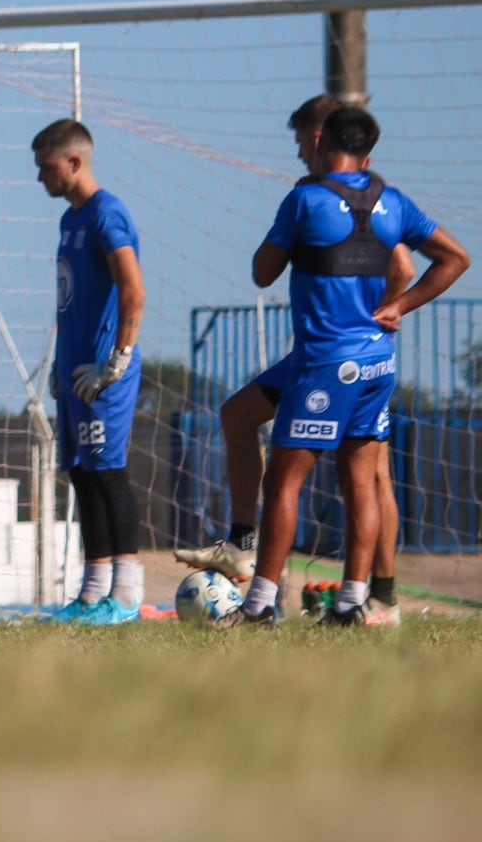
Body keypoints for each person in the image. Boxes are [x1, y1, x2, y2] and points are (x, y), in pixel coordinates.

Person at [178, 94, 414, 623]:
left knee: (368, 477)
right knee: (238, 414)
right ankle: (243, 541)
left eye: (301, 144)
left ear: (318, 139)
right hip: (329, 352)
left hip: (339, 355)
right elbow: (404, 265)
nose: (300, 156)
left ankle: (380, 599)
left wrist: (383, 311)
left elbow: (402, 264)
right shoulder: (354, 192)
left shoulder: (339, 198)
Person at [227, 106, 467, 627]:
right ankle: (353, 603)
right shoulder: (395, 203)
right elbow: (456, 259)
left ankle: (260, 604)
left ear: (319, 142)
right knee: (360, 481)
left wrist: (295, 237)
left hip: (325, 363)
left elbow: (263, 273)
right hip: (379, 360)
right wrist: (400, 305)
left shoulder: (306, 200)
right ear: (368, 155)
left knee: (286, 482)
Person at [31, 119, 148, 625]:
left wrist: (118, 358)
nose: (41, 179)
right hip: (74, 371)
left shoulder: (107, 214)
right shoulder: (70, 220)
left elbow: (133, 289)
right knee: (81, 473)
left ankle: (125, 595)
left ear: (75, 163)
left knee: (108, 473)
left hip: (105, 372)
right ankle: (92, 592)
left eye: (47, 168)